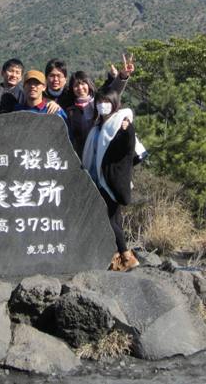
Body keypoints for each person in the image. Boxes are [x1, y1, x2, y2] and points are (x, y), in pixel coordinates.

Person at [81, 89, 140, 272]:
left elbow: (128, 147)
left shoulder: (118, 124)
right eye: (99, 101)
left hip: (110, 181)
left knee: (107, 219)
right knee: (113, 219)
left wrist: (127, 129)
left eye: (106, 101)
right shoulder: (98, 127)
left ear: (114, 103)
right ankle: (117, 256)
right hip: (97, 180)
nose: (102, 104)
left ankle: (126, 255)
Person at [66, 53, 135, 159]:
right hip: (83, 158)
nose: (80, 88)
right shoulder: (70, 110)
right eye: (76, 85)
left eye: (83, 83)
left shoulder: (99, 100)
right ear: (72, 89)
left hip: (105, 153)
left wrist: (122, 76)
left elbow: (114, 92)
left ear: (89, 84)